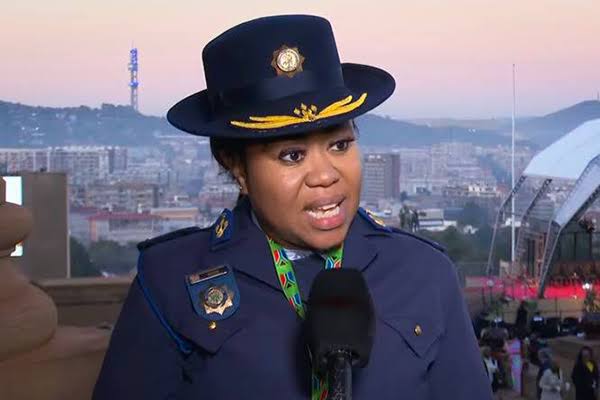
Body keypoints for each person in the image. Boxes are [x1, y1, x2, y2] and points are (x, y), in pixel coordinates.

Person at [92, 14, 492, 399]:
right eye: (292, 156)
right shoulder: (170, 280)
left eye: (340, 145)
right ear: (237, 168)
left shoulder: (424, 272)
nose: (326, 175)